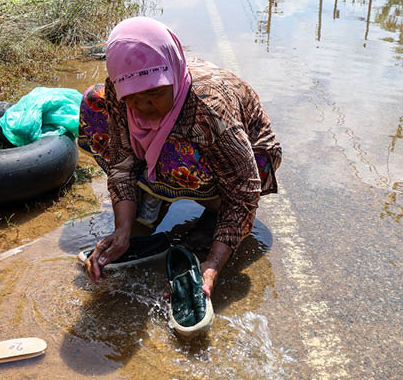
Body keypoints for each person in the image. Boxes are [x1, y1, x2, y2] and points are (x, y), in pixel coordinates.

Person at [78, 16, 281, 298]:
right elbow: (122, 161)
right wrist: (122, 230)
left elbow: (244, 188)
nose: (144, 106)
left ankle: (214, 213)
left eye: (154, 93)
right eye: (133, 98)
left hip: (247, 164)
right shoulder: (117, 91)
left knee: (181, 152)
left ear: (173, 74)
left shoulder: (208, 106)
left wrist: (212, 264)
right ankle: (150, 196)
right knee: (93, 104)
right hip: (176, 154)